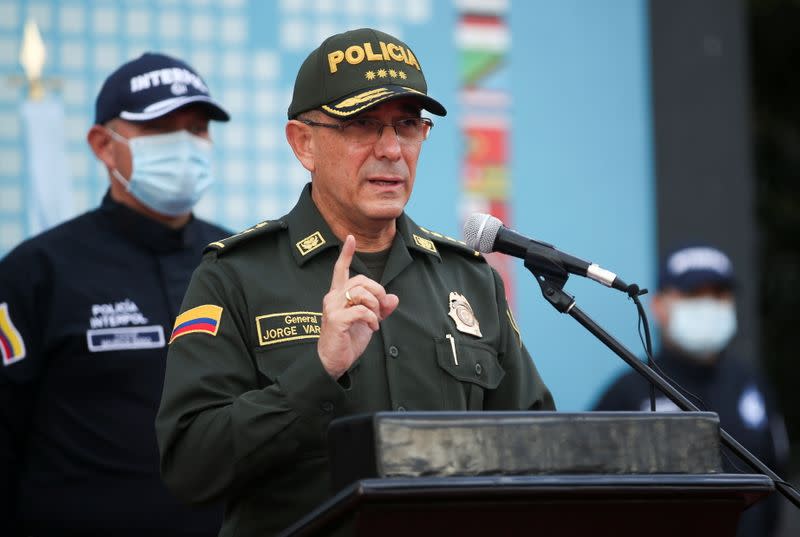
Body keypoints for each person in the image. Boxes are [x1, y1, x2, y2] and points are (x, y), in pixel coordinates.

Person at [156, 28, 555, 537]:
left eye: (407, 125)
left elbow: (538, 449)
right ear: (304, 143)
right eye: (364, 125)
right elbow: (191, 468)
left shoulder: (469, 277)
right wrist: (318, 371)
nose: (391, 149)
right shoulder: (235, 275)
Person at [0, 52, 230, 536]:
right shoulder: (37, 271)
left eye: (197, 127)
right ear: (104, 146)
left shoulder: (239, 262)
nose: (186, 144)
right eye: (162, 127)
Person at [593, 244, 790, 537]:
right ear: (659, 306)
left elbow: (777, 478)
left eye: (719, 295)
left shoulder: (752, 385)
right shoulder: (627, 393)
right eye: (693, 295)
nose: (708, 304)